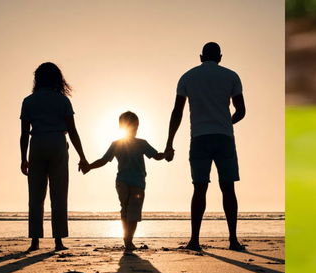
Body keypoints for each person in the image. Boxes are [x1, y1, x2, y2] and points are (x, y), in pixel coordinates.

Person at [164, 42, 246, 251]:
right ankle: (233, 240)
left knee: (199, 188)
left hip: (199, 138)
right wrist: (227, 122)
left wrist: (170, 143)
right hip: (224, 137)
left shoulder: (188, 77)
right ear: (220, 57)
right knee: (228, 188)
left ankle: (194, 240)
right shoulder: (231, 76)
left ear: (201, 57)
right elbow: (241, 110)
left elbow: (177, 112)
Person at [20, 62, 88, 252]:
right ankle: (58, 240)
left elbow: (24, 133)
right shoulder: (62, 100)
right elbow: (73, 131)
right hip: (58, 142)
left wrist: (23, 158)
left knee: (35, 195)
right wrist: (82, 156)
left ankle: (35, 241)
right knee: (59, 194)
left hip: (37, 143)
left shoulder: (29, 101)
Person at [81, 111, 165, 251]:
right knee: (133, 212)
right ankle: (128, 240)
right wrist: (166, 154)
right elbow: (156, 156)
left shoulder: (119, 144)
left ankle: (127, 240)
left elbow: (104, 160)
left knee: (126, 210)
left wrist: (89, 166)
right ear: (136, 127)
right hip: (136, 183)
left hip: (123, 182)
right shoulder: (139, 143)